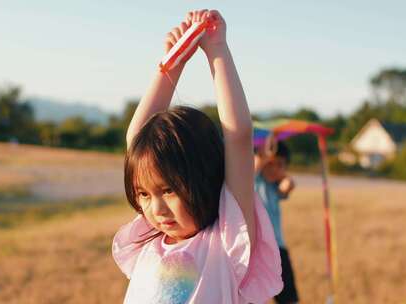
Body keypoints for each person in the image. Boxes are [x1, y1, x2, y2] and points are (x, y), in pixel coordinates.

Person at [112, 10, 283, 303]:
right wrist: (170, 66)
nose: (157, 209)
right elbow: (137, 139)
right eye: (144, 193)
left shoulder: (227, 241)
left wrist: (216, 49)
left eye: (169, 190)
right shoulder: (150, 240)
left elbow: (239, 136)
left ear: (204, 178)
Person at [254, 140, 301, 304]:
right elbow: (254, 166)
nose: (275, 169)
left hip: (278, 248)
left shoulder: (275, 187)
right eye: (271, 164)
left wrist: (287, 180)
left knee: (288, 298)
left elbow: (287, 186)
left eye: (280, 165)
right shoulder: (253, 180)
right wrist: (264, 154)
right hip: (255, 250)